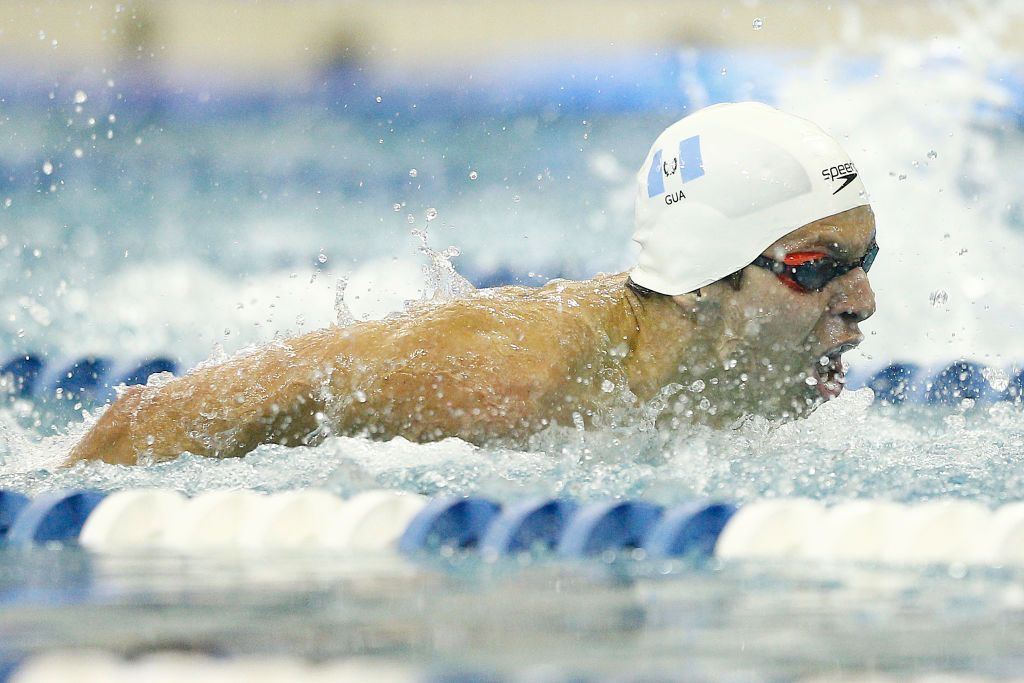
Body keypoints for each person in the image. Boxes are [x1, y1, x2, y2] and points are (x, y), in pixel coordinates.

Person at [67, 102, 877, 466]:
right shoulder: (512, 382)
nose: (863, 302)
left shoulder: (734, 385)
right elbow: (151, 418)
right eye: (817, 269)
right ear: (703, 279)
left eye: (865, 262)